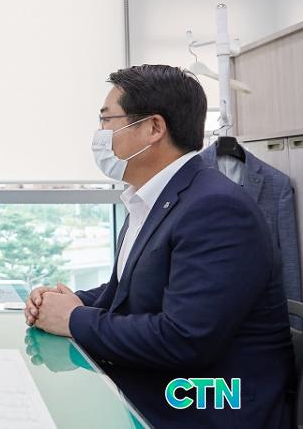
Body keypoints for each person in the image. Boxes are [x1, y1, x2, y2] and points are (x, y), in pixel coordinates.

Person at [24, 65, 293, 428]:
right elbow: (131, 291)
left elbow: (185, 339)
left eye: (107, 120)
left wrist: (73, 319)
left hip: (208, 407)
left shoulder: (216, 208)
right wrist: (65, 301)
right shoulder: (154, 199)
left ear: (153, 128)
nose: (100, 134)